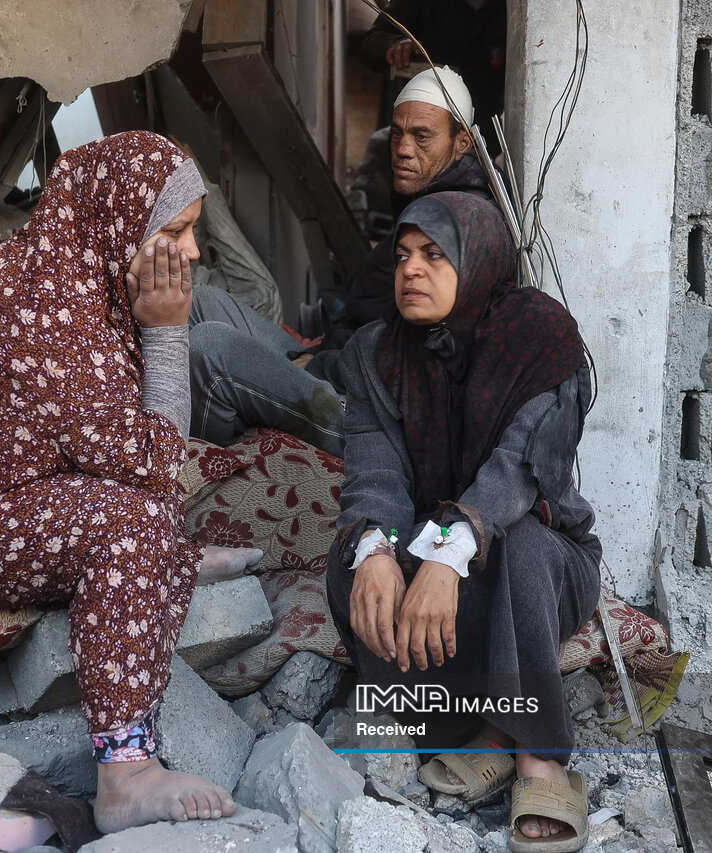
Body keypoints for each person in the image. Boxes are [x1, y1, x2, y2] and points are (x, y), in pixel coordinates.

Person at [0, 131, 264, 833]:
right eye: (177, 232)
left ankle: (166, 565)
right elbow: (158, 465)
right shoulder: (46, 313)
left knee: (143, 511)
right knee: (136, 520)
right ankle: (125, 773)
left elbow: (132, 453)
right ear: (118, 222)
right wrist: (167, 332)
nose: (189, 254)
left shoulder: (63, 272)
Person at [326, 192, 598, 853]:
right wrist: (379, 550)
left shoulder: (543, 339)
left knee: (526, 546)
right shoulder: (376, 352)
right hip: (434, 564)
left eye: (435, 255)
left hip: (536, 564)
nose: (412, 270)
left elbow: (518, 472)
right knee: (353, 567)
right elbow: (375, 474)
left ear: (478, 262)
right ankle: (472, 727)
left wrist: (449, 553)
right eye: (403, 256)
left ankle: (535, 754)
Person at [189, 67, 492, 450]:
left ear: (462, 142)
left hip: (367, 412)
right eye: (397, 132)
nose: (402, 148)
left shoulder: (461, 222)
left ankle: (208, 467)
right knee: (201, 301)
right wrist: (319, 352)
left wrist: (321, 364)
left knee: (210, 347)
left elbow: (409, 352)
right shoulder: (427, 199)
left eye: (422, 136)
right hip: (334, 360)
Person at [358, 0, 505, 154]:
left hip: (482, 138)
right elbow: (370, 43)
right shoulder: (420, 5)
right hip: (421, 136)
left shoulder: (510, 10)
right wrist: (395, 44)